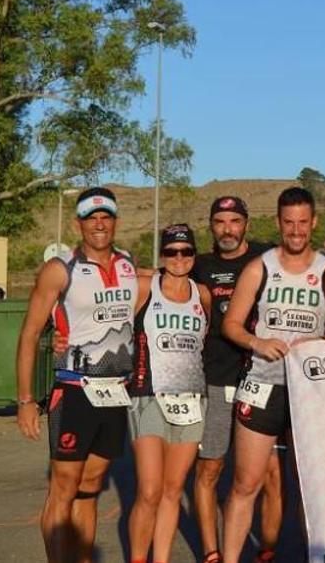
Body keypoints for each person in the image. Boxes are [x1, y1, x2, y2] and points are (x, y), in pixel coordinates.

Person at [220, 187, 325, 562]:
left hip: (309, 392)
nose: (296, 231)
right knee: (246, 484)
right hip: (262, 384)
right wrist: (256, 342)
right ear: (279, 222)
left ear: (313, 224)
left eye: (303, 223)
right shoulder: (259, 268)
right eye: (289, 223)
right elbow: (230, 324)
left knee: (312, 490)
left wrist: (321, 341)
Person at [15, 187, 138, 563]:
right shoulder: (60, 269)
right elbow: (31, 333)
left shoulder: (128, 264)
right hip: (73, 390)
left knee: (92, 487)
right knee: (64, 488)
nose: (99, 224)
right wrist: (25, 401)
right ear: (78, 223)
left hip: (115, 393)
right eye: (91, 217)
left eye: (106, 217)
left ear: (115, 221)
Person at [189, 196, 281, 563]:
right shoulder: (198, 266)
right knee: (210, 468)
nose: (227, 229)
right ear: (211, 225)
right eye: (220, 222)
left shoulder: (266, 259)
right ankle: (212, 552)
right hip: (216, 379)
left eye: (234, 221)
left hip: (261, 379)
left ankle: (268, 550)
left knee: (268, 474)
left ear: (246, 223)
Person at [127, 224, 211, 563]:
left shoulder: (201, 294)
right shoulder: (145, 287)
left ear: (194, 254)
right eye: (172, 252)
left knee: (173, 490)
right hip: (146, 396)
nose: (179, 258)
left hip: (191, 399)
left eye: (186, 251)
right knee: (149, 490)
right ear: (162, 255)